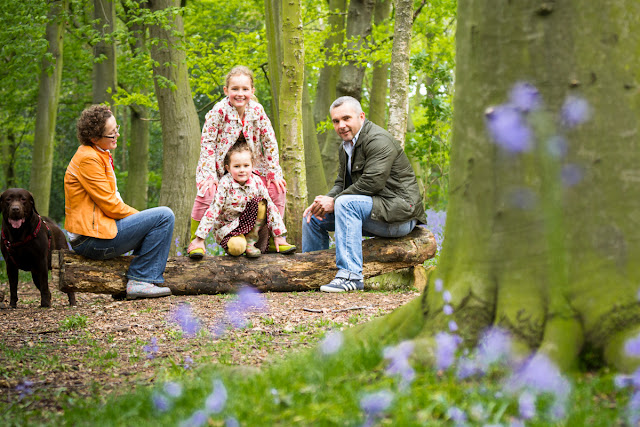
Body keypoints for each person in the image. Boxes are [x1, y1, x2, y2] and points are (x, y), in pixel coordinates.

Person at [302, 96, 427, 293]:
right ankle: (309, 273)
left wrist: (334, 201)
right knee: (313, 216)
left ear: (361, 116)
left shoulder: (378, 140)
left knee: (344, 203)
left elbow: (372, 182)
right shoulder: (346, 146)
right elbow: (341, 184)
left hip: (399, 216)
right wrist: (324, 201)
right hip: (373, 211)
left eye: (346, 118)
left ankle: (351, 276)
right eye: (336, 121)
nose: (341, 125)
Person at [64, 105, 175, 300]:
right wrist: (141, 219)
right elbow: (111, 205)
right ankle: (141, 279)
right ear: (94, 138)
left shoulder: (98, 153)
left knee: (155, 220)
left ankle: (137, 279)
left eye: (117, 129)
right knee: (164, 216)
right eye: (111, 134)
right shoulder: (88, 159)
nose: (117, 135)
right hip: (90, 240)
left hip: (97, 233)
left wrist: (141, 222)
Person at [187, 65, 295, 258]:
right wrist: (210, 175)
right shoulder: (218, 112)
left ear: (252, 91)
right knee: (207, 192)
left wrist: (273, 172)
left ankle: (272, 239)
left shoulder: (257, 111)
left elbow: (269, 141)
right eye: (235, 89)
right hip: (222, 167)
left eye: (245, 89)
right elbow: (208, 144)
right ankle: (196, 241)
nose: (240, 93)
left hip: (252, 166)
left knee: (276, 189)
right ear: (226, 91)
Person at [189, 143, 292, 257]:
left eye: (246, 165)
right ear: (228, 168)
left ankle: (252, 242)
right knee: (237, 248)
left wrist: (278, 235)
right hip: (230, 229)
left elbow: (271, 207)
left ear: (252, 166)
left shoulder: (256, 181)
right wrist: (200, 238)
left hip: (252, 228)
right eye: (237, 166)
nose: (242, 170)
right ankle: (240, 245)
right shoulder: (225, 183)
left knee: (263, 203)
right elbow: (214, 209)